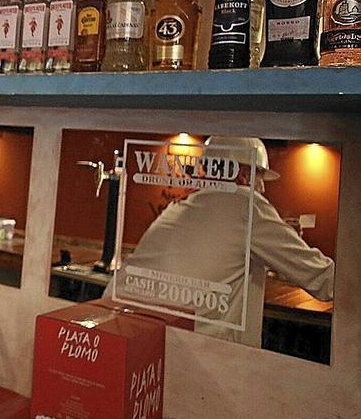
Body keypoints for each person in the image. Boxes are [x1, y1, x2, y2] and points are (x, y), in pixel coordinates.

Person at [111, 136, 334, 347]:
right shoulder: (248, 205)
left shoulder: (183, 204)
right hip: (188, 349)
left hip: (123, 328)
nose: (263, 188)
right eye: (259, 176)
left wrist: (278, 234)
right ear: (243, 174)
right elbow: (322, 279)